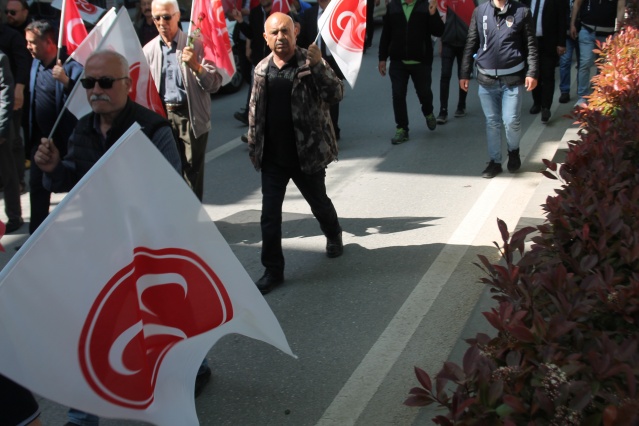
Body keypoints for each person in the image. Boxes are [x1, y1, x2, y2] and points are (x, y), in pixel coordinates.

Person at [33, 49, 212, 426]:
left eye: (104, 82)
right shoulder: (82, 128)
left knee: (168, 315)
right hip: (97, 251)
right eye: (88, 83)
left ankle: (195, 365)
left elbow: (166, 192)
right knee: (95, 330)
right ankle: (83, 416)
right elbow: (72, 180)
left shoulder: (153, 129)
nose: (95, 90)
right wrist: (53, 170)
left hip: (147, 248)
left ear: (127, 85)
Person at [248, 12, 344, 294]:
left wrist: (319, 67)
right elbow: (255, 111)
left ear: (296, 32)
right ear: (266, 39)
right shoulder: (262, 69)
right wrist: (255, 148)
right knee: (269, 216)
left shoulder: (310, 61)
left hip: (307, 154)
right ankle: (273, 270)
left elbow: (335, 93)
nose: (280, 37)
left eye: (285, 31)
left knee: (319, 203)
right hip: (274, 159)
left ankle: (333, 233)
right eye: (274, 33)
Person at [144, 0, 224, 201]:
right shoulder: (149, 50)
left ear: (178, 16)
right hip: (162, 117)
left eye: (166, 17)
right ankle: (178, 219)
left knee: (192, 173)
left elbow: (214, 84)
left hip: (190, 116)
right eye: (156, 18)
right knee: (168, 170)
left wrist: (196, 66)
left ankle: (193, 220)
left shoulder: (196, 44)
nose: (162, 22)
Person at [459, 0, 538, 179]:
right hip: (486, 79)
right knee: (492, 122)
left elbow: (531, 46)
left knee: (511, 120)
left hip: (512, 78)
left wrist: (532, 72)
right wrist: (464, 73)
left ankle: (513, 151)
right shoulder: (480, 12)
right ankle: (495, 161)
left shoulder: (522, 12)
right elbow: (471, 42)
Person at [25, 20, 83, 234]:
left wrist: (67, 82)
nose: (28, 47)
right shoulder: (35, 64)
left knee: (75, 191)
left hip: (67, 142)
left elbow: (85, 99)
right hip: (42, 141)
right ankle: (35, 240)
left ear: (49, 41)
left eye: (32, 43)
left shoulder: (70, 66)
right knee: (38, 190)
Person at [378, 0, 444, 145]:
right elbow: (386, 34)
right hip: (398, 61)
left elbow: (439, 31)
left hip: (421, 61)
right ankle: (402, 128)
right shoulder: (393, 6)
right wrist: (382, 58)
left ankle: (428, 112)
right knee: (398, 94)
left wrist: (433, 15)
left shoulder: (425, 6)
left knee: (424, 93)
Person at [298, 0, 345, 140]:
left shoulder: (339, 12)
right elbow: (303, 39)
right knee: (316, 97)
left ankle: (333, 130)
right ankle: (320, 130)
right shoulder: (309, 14)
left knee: (331, 97)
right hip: (315, 62)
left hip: (333, 62)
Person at [570, 0, 625, 107]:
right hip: (587, 30)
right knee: (585, 62)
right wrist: (572, 23)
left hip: (607, 34)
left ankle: (599, 94)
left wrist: (617, 31)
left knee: (603, 67)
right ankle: (582, 97)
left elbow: (621, 7)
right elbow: (577, 3)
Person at [229, 0, 274, 127]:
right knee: (255, 91)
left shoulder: (278, 10)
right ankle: (252, 119)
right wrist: (240, 21)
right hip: (259, 60)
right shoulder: (255, 12)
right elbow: (251, 33)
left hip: (274, 60)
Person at [0, 19, 31, 195]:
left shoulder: (12, 36)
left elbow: (22, 64)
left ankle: (18, 181)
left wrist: (18, 88)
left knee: (12, 144)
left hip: (11, 96)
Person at [525, 0, 566, 124]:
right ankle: (537, 102)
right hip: (531, 42)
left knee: (548, 74)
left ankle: (546, 107)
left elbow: (562, 19)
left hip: (549, 42)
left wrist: (561, 43)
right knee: (534, 73)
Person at [436, 0, 476, 124]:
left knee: (463, 75)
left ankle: (461, 105)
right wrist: (441, 40)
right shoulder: (443, 2)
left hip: (465, 42)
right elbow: (439, 19)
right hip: (448, 42)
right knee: (445, 75)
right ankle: (443, 110)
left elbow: (476, 17)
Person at [0, 49, 24, 234]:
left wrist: (1, 127)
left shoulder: (1, 59)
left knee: (8, 173)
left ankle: (14, 216)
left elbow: (5, 95)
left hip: (2, 128)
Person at [558, 0, 579, 104]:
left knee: (582, 64)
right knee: (565, 62)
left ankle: (581, 93)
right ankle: (564, 91)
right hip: (565, 33)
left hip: (581, 30)